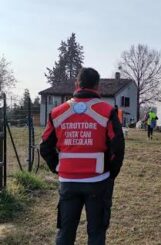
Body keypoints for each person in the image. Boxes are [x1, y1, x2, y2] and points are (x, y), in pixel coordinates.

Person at [40, 67, 125, 244]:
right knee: (96, 233)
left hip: (68, 181)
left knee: (65, 232)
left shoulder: (57, 113)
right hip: (98, 180)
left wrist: (57, 167)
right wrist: (110, 174)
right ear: (97, 86)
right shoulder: (107, 111)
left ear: (77, 84)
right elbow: (118, 148)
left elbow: (45, 146)